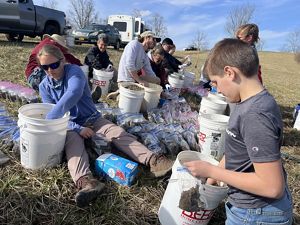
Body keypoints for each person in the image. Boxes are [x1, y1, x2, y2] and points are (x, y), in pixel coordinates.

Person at [37, 44, 173, 207]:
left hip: (93, 118)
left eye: (54, 65)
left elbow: (72, 94)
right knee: (73, 146)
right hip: (69, 125)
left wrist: (51, 116)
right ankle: (87, 182)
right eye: (45, 67)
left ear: (62, 60)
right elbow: (58, 120)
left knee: (117, 133)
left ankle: (154, 161)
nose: (50, 71)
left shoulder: (74, 72)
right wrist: (78, 128)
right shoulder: (44, 86)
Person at [184, 38, 293, 225]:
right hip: (253, 209)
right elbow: (239, 149)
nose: (217, 90)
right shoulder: (250, 103)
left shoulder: (255, 115)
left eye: (216, 82)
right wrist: (212, 177)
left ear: (230, 72)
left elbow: (272, 186)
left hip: (257, 214)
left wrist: (212, 170)